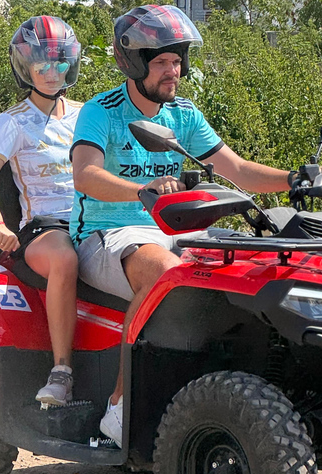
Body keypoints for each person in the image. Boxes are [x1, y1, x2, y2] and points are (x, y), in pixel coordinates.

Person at [69, 4, 294, 447]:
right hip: (107, 235)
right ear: (132, 63)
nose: (173, 71)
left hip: (175, 232)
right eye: (161, 63)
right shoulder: (101, 111)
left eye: (177, 61)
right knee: (168, 275)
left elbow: (239, 170)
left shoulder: (183, 114)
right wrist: (143, 190)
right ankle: (118, 411)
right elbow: (85, 176)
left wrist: (295, 179)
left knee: (254, 270)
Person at [0, 15, 82, 406]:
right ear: (26, 68)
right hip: (43, 228)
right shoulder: (13, 122)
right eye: (42, 65)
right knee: (65, 261)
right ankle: (62, 372)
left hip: (93, 220)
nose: (52, 73)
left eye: (59, 63)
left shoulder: (86, 116)